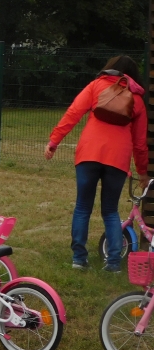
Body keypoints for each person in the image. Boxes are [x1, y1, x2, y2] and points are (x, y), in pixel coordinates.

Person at [46, 56, 148, 272]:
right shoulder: (137, 100)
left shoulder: (96, 86)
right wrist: (142, 173)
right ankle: (113, 263)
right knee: (110, 210)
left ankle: (79, 259)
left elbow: (73, 113)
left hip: (89, 153)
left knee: (83, 207)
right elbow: (140, 144)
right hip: (118, 158)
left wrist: (54, 141)